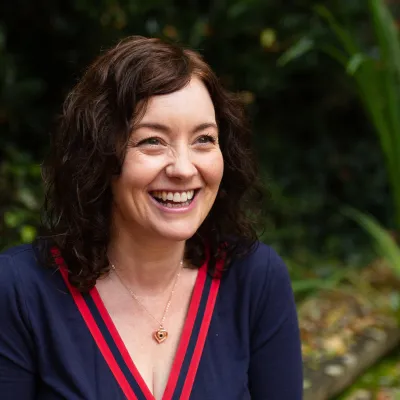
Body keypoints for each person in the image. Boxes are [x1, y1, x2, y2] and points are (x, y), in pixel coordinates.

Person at [0, 36, 303, 399]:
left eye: (204, 139)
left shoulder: (256, 279)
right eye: (152, 141)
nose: (183, 168)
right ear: (98, 156)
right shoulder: (19, 289)